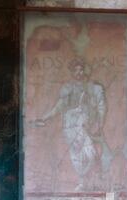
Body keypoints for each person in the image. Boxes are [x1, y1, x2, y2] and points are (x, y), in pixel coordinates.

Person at [34, 57, 107, 191]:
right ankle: (82, 182)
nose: (79, 73)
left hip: (83, 125)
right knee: (76, 155)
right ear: (72, 72)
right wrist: (45, 118)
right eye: (76, 70)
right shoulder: (68, 88)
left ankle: (86, 178)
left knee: (91, 154)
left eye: (81, 70)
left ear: (85, 71)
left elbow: (99, 107)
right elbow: (58, 107)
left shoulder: (91, 87)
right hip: (70, 126)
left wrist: (99, 123)